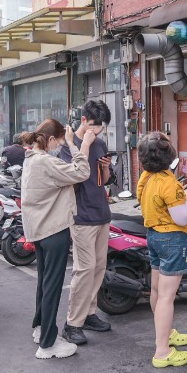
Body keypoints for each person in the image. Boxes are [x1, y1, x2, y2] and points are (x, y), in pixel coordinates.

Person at [22, 119, 90, 359]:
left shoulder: (31, 159)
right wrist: (74, 145)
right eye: (59, 140)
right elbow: (82, 172)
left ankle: (41, 329)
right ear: (50, 140)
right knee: (52, 286)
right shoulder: (46, 161)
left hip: (39, 229)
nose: (60, 145)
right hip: (53, 229)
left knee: (44, 282)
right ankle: (48, 344)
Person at [136, 132, 187, 368]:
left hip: (153, 236)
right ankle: (162, 351)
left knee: (156, 291)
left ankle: (166, 334)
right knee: (167, 297)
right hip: (172, 239)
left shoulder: (146, 177)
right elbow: (182, 218)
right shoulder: (169, 183)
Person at [60, 99, 114, 346]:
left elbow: (104, 182)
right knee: (84, 269)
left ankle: (89, 313)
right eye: (94, 125)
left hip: (101, 211)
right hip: (81, 216)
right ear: (83, 120)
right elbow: (74, 178)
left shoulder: (100, 143)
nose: (97, 131)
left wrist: (105, 168)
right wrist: (85, 146)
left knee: (99, 267)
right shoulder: (67, 146)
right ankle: (72, 324)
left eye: (101, 127)